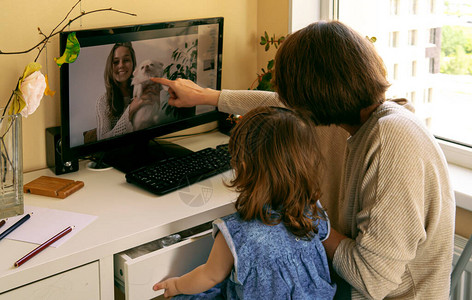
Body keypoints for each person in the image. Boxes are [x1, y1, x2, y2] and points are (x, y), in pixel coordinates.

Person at [152, 20, 456, 299]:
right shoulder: (366, 116)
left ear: (309, 100)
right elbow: (275, 103)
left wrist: (309, 219)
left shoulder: (392, 141)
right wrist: (209, 97)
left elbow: (371, 280)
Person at [153, 106, 337, 299]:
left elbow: (209, 276)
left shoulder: (236, 232)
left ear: (244, 168)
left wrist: (176, 285)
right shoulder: (312, 210)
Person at [96, 42, 151, 140]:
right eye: (116, 62)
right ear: (110, 66)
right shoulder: (103, 102)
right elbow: (102, 141)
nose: (121, 65)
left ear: (133, 64)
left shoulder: (142, 92)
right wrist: (130, 110)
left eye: (126, 60)